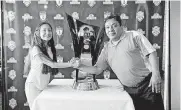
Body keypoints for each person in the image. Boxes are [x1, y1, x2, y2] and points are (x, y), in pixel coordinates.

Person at [77, 15, 164, 110]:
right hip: (128, 90)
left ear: (121, 26)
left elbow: (151, 52)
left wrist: (156, 74)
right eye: (107, 27)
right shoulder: (106, 49)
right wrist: (80, 66)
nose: (111, 29)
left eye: (114, 25)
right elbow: (97, 69)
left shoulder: (133, 36)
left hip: (147, 86)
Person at [24, 22, 78, 109]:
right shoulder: (35, 49)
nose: (47, 33)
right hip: (33, 85)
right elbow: (52, 64)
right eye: (44, 30)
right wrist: (70, 64)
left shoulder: (49, 48)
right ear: (38, 33)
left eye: (49, 30)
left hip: (44, 84)